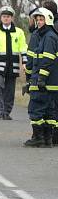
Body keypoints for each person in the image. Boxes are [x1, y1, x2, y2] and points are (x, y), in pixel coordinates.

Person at [23, 8, 58, 148]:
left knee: (35, 108)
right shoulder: (46, 36)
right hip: (48, 82)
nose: (38, 22)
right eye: (37, 20)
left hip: (43, 82)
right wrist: (30, 78)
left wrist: (40, 78)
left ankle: (38, 138)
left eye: (41, 19)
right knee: (49, 111)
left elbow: (48, 59)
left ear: (48, 20)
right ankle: (47, 139)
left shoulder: (49, 37)